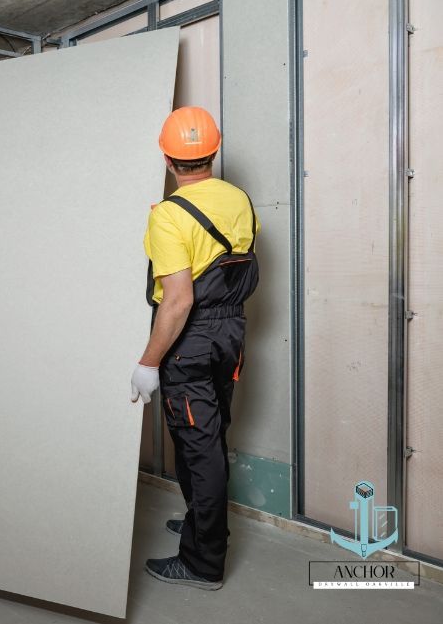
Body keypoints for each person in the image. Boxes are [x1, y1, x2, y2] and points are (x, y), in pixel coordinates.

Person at [130, 106, 260, 590]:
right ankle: (200, 524)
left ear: (167, 158)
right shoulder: (239, 199)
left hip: (190, 341)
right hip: (231, 334)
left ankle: (203, 563)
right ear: (213, 151)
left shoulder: (168, 217)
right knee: (206, 439)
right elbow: (228, 257)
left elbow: (178, 300)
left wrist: (148, 362)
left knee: (199, 449)